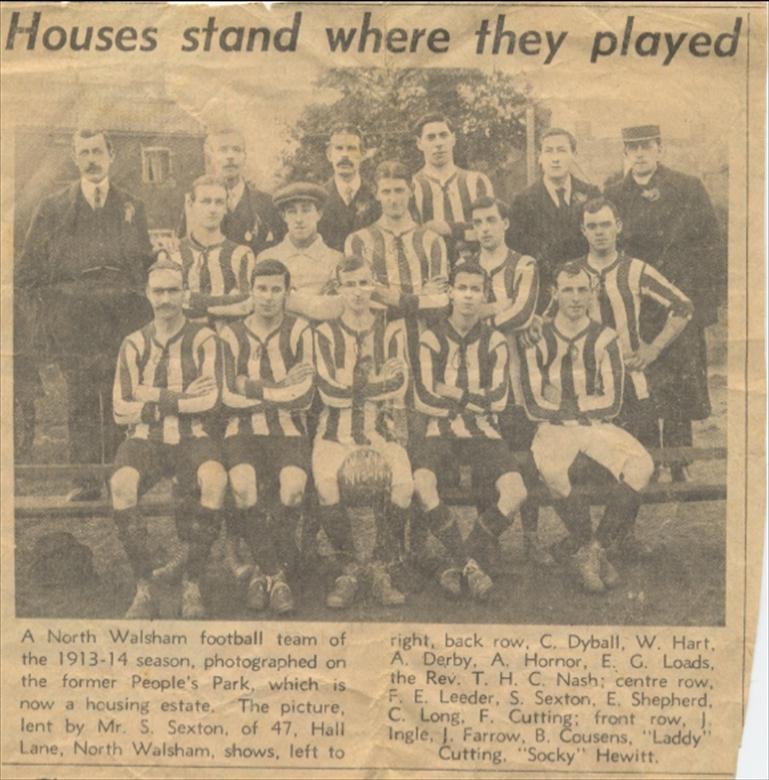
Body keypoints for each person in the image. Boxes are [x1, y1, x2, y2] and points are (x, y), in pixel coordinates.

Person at [15, 128, 153, 500]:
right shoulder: (53, 207)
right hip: (72, 319)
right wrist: (48, 320)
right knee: (79, 396)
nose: (91, 159)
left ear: (111, 156)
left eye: (97, 152)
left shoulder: (131, 206)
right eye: (84, 153)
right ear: (75, 158)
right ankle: (85, 481)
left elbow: (143, 266)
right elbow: (27, 273)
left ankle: (119, 475)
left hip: (120, 317)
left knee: (119, 394)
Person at [520, 260, 654, 593]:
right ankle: (590, 550)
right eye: (568, 290)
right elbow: (533, 402)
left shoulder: (606, 338)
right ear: (555, 293)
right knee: (552, 473)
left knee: (641, 466)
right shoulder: (537, 336)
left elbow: (612, 401)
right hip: (553, 429)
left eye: (582, 290)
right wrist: (581, 400)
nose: (576, 297)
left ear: (592, 293)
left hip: (596, 425)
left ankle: (592, 551)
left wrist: (563, 401)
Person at [605, 125, 723, 480]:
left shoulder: (687, 187)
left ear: (659, 149)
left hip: (678, 299)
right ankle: (648, 459)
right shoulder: (615, 193)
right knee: (641, 377)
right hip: (637, 304)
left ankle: (679, 460)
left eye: (646, 146)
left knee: (680, 379)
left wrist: (702, 305)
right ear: (626, 153)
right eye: (632, 148)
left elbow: (711, 246)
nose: (639, 154)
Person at [110, 259, 226, 619]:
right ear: (147, 295)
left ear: (185, 293)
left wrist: (151, 394)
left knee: (215, 479)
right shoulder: (133, 343)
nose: (165, 299)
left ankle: (192, 582)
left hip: (193, 437)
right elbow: (119, 409)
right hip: (145, 439)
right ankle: (144, 585)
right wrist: (178, 398)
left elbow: (209, 400)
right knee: (122, 483)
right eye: (158, 291)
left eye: (173, 290)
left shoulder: (205, 338)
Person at [413, 262, 528, 600]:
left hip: (483, 433)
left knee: (516, 491)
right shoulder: (431, 337)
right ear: (450, 292)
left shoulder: (494, 341)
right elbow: (423, 397)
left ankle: (460, 558)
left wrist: (455, 393)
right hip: (439, 432)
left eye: (475, 289)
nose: (467, 295)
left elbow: (498, 400)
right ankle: (471, 564)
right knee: (422, 483)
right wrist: (470, 399)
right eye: (461, 288)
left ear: (484, 295)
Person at [313, 256, 413, 609]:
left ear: (373, 286)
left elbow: (400, 383)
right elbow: (328, 391)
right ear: (338, 288)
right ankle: (350, 565)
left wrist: (358, 384)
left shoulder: (391, 329)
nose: (357, 292)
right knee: (326, 488)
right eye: (349, 284)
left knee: (403, 485)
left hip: (380, 429)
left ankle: (380, 565)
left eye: (363, 283)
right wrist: (377, 382)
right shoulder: (324, 333)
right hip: (333, 432)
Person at [219, 260, 315, 614]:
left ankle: (262, 573)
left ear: (287, 292)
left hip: (289, 428)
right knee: (243, 487)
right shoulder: (230, 334)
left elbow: (304, 395)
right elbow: (227, 394)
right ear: (251, 291)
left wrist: (252, 386)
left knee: (292, 489)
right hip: (241, 430)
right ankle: (278, 577)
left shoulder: (301, 330)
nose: (269, 296)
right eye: (262, 288)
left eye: (276, 289)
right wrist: (278, 387)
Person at [470, 196, 550, 566]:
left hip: (519, 379)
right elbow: (456, 312)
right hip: (478, 378)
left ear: (505, 223)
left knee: (525, 459)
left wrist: (479, 314)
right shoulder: (465, 268)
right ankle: (490, 540)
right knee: (486, 460)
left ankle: (532, 538)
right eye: (478, 222)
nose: (484, 228)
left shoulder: (524, 264)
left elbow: (522, 311)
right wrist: (497, 310)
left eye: (491, 220)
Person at [578, 197, 693, 450]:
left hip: (631, 380)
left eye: (606, 225)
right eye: (593, 226)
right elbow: (550, 319)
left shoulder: (636, 270)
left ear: (618, 226)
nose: (600, 232)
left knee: (643, 462)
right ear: (583, 230)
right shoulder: (572, 273)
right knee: (594, 471)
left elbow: (683, 306)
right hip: (588, 382)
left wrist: (654, 349)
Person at [507, 127, 600, 311]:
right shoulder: (523, 201)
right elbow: (518, 253)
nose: (555, 158)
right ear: (540, 157)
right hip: (543, 296)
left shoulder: (591, 194)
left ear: (574, 155)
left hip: (585, 293)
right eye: (549, 151)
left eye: (562, 150)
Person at [179, 128, 285, 256]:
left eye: (236, 150)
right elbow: (184, 249)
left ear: (244, 156)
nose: (230, 156)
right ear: (211, 157)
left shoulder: (267, 203)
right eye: (223, 150)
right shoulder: (196, 203)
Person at [174, 175, 255, 327]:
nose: (212, 209)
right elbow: (172, 301)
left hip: (230, 339)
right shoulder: (175, 254)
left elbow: (246, 302)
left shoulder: (242, 254)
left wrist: (195, 301)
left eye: (219, 202)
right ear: (191, 205)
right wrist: (226, 303)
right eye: (205, 201)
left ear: (226, 207)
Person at [412, 113, 494, 257]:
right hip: (429, 271)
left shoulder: (477, 182)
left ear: (453, 139)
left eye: (443, 135)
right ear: (419, 143)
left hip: (475, 270)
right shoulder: (411, 187)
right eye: (431, 137)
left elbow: (490, 230)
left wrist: (450, 229)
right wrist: (467, 232)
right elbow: (412, 237)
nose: (438, 143)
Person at [259, 181, 343, 318]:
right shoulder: (267, 258)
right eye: (292, 212)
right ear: (283, 216)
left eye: (306, 210)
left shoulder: (336, 260)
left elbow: (330, 310)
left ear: (319, 214)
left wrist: (287, 298)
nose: (299, 219)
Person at [317, 124, 380, 252]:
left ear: (362, 155)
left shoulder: (377, 196)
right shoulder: (318, 198)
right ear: (329, 155)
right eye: (339, 148)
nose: (345, 155)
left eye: (351, 149)